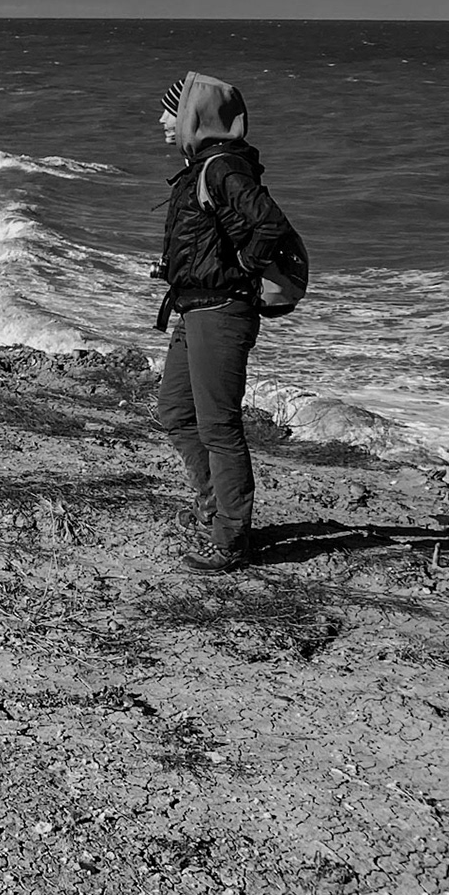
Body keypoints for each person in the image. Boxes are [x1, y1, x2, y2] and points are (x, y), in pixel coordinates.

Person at [152, 71, 293, 572]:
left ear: (193, 116)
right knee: (175, 411)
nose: (162, 122)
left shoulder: (223, 168)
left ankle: (232, 539)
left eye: (171, 111)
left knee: (218, 426)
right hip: (196, 308)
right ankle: (216, 510)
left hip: (221, 311)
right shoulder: (203, 167)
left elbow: (270, 225)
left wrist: (240, 270)